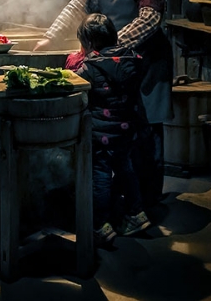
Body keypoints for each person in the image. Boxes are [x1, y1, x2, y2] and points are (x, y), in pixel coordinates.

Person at [34, 0, 172, 211]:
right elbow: (76, 6)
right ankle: (120, 200)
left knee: (145, 130)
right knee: (117, 131)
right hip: (111, 63)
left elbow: (149, 19)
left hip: (145, 62)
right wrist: (50, 36)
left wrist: (109, 49)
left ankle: (146, 203)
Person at [73, 13, 152, 246]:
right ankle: (136, 214)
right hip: (128, 130)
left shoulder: (90, 66)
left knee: (100, 177)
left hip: (102, 135)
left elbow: (75, 83)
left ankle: (100, 225)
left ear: (88, 44)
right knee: (126, 168)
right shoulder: (131, 59)